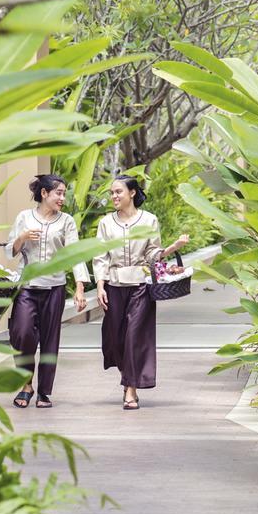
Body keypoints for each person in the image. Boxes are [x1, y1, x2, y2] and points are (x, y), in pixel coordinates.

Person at [93, 175, 189, 410]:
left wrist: (172, 249)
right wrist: (100, 285)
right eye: (112, 193)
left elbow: (152, 255)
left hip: (140, 287)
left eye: (118, 192)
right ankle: (128, 377)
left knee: (135, 337)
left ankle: (130, 390)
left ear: (132, 193)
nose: (114, 196)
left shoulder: (149, 220)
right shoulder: (106, 223)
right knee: (116, 339)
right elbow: (100, 256)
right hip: (114, 286)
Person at [9, 174, 88, 409]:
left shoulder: (67, 221)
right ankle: (26, 383)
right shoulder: (24, 217)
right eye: (59, 193)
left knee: (50, 341)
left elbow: (75, 254)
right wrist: (22, 237)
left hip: (54, 287)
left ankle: (43, 391)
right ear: (44, 193)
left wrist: (80, 287)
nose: (63, 198)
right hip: (27, 287)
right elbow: (9, 251)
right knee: (22, 333)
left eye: (64, 193)